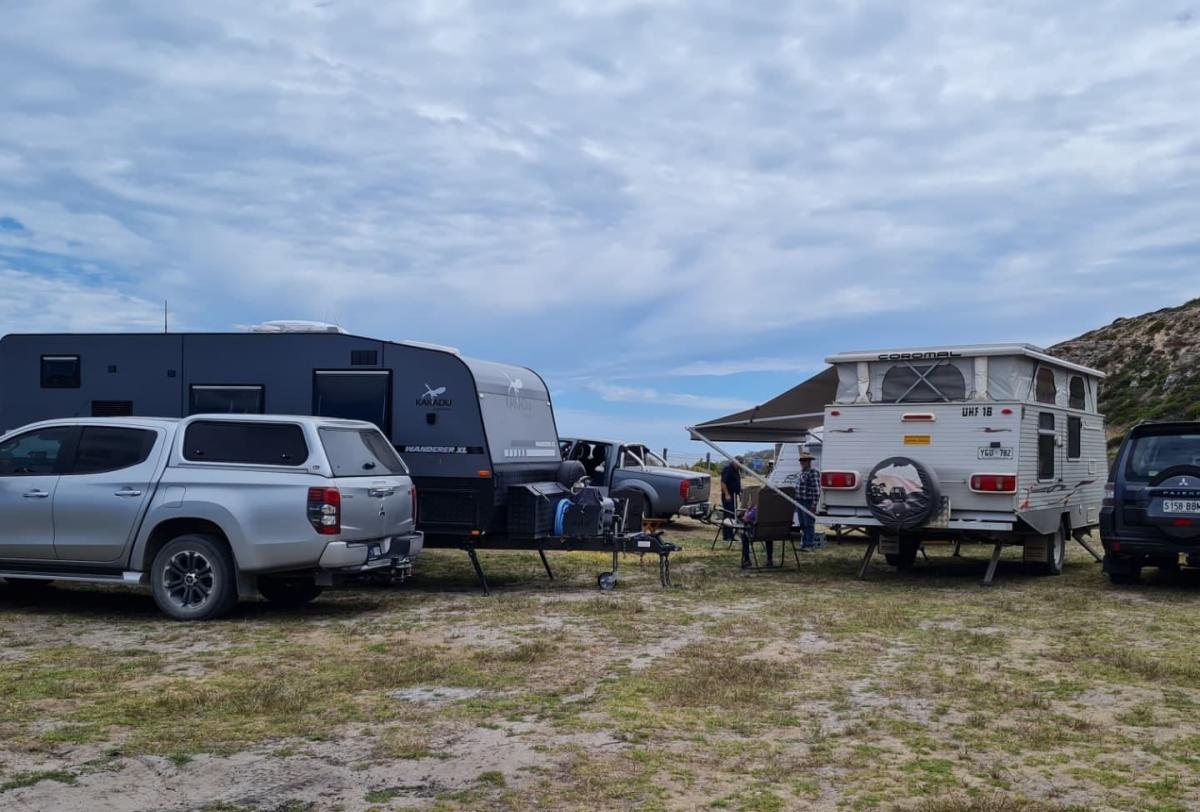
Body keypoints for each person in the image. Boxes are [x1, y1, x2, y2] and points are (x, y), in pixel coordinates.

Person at [795, 451, 821, 550]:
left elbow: (816, 490)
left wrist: (814, 505)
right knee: (802, 523)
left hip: (808, 502)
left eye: (805, 460)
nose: (802, 462)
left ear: (809, 461)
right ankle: (804, 543)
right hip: (799, 501)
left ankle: (809, 544)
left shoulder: (813, 472)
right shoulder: (802, 472)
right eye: (801, 460)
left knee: (809, 523)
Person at [720, 456, 743, 552]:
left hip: (734, 495)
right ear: (734, 462)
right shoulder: (728, 469)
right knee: (728, 515)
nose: (740, 465)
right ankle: (726, 536)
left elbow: (737, 483)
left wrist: (740, 492)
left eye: (741, 463)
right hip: (728, 495)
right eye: (739, 462)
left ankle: (731, 535)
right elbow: (723, 482)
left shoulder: (737, 471)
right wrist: (727, 494)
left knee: (733, 515)